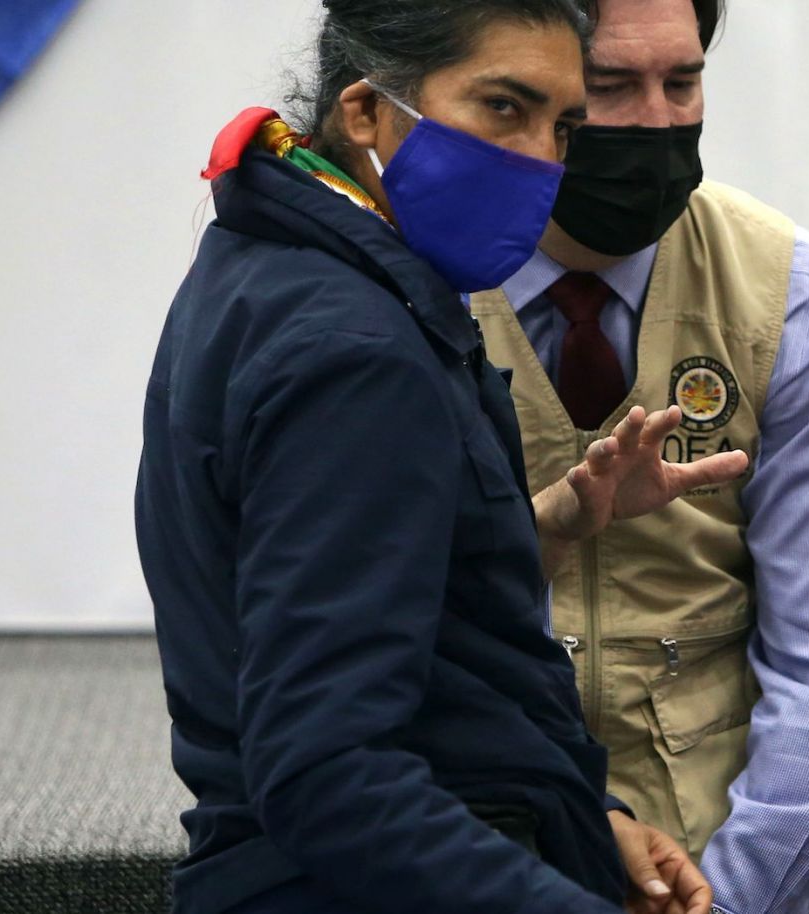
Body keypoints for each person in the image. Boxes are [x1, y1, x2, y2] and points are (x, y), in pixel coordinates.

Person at [135, 2, 740, 911]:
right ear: (366, 113)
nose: (542, 156)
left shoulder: (271, 264)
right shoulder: (355, 350)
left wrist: (584, 814)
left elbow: (413, 640)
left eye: (564, 124)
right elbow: (326, 775)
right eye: (504, 106)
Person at [464, 1, 809, 910]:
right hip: (475, 833)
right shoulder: (417, 279)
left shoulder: (790, 289)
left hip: (707, 854)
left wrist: (734, 898)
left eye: (686, 79)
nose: (660, 121)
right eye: (614, 86)